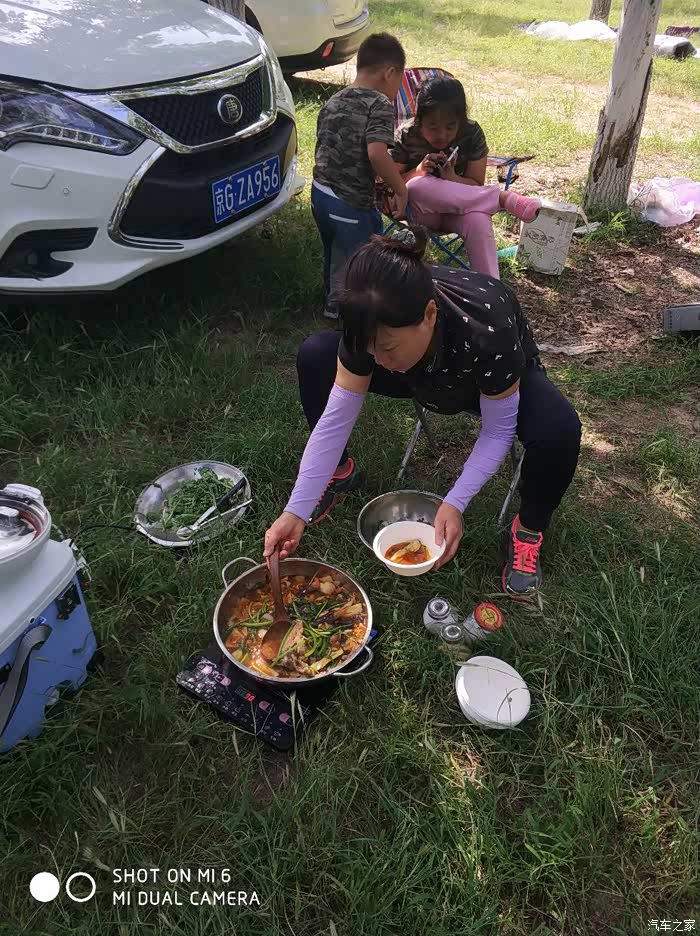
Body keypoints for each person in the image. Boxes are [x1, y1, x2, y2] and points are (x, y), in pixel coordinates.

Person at [264, 228, 581, 598]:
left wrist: (455, 501)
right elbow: (335, 421)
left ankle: (527, 529)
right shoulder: (368, 325)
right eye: (370, 350)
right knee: (316, 354)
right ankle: (341, 473)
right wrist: (295, 511)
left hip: (484, 378)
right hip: (418, 374)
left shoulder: (486, 322)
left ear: (430, 314)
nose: (377, 360)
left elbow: (498, 431)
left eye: (386, 348)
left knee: (559, 428)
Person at [390, 76, 541, 279]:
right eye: (433, 127)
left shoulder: (471, 133)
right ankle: (501, 199)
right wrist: (418, 170)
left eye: (450, 127)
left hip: (460, 211)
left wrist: (452, 177)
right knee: (417, 186)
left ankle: (490, 288)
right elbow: (389, 181)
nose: (442, 135)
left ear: (460, 122)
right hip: (419, 213)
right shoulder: (407, 134)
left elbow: (475, 184)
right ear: (419, 119)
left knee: (479, 219)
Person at [312, 32, 408, 320]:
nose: (397, 92)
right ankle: (352, 315)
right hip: (349, 202)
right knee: (360, 262)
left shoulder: (334, 100)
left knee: (336, 252)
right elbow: (377, 153)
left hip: (320, 195)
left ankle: (333, 302)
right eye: (399, 82)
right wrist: (400, 189)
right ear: (389, 73)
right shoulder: (379, 104)